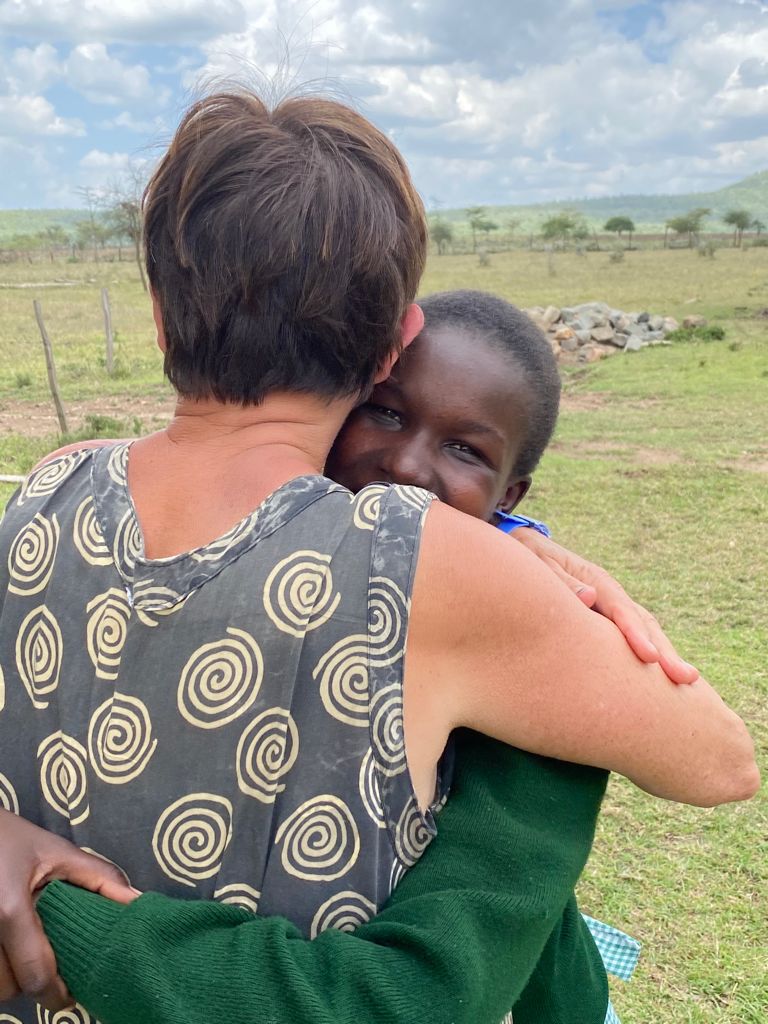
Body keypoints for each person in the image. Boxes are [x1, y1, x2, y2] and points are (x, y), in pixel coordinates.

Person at [0, 89, 758, 1024]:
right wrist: (541, 578)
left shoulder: (47, 488)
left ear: (157, 314)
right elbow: (721, 763)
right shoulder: (422, 562)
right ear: (396, 340)